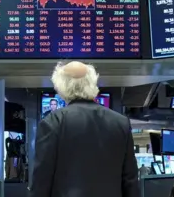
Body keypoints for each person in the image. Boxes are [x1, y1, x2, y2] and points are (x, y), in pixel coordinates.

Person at [29, 61, 139, 197]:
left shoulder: (52, 122)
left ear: (61, 87)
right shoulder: (121, 123)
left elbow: (41, 182)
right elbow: (131, 182)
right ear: (92, 83)